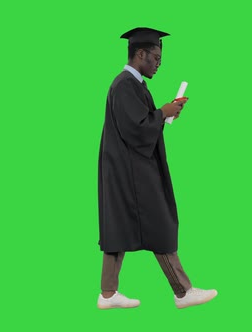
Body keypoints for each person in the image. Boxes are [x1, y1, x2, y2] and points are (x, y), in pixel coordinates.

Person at [97, 27, 217, 309]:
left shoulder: (133, 84)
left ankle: (108, 294)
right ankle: (183, 292)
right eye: (156, 56)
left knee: (119, 227)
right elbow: (136, 130)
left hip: (126, 171)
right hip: (132, 174)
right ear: (140, 53)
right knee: (158, 224)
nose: (159, 62)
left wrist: (164, 114)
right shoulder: (125, 84)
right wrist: (162, 113)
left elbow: (139, 125)